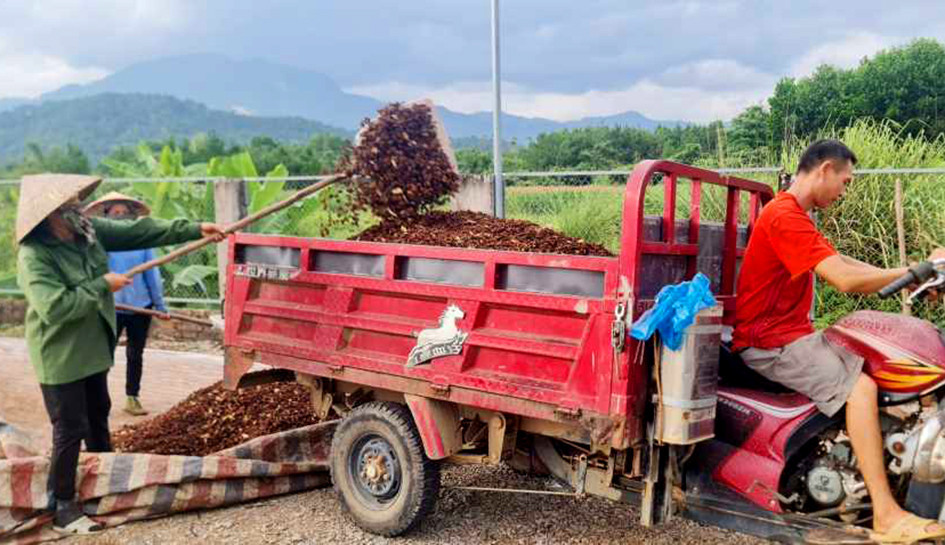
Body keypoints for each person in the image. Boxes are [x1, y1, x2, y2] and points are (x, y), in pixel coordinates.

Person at [732, 140, 945, 543]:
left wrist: (912, 275)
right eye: (845, 181)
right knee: (859, 388)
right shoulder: (783, 215)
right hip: (769, 344)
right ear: (825, 169)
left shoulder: (796, 215)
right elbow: (844, 279)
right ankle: (886, 515)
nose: (844, 191)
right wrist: (915, 270)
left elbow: (845, 263)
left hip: (791, 336)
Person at [15, 174, 225, 535]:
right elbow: (54, 307)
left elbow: (139, 230)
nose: (79, 210)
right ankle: (62, 506)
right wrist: (102, 285)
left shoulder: (88, 232)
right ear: (50, 216)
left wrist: (194, 228)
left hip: (94, 345)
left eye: (77, 203)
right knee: (69, 428)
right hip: (61, 353)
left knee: (99, 415)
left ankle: (105, 484)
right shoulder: (35, 255)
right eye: (69, 206)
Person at [84, 193, 167, 416]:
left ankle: (132, 397)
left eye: (124, 213)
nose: (120, 216)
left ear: (131, 216)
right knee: (104, 354)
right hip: (112, 307)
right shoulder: (101, 243)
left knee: (135, 354)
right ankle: (96, 400)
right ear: (107, 216)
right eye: (115, 212)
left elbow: (152, 274)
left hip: (141, 306)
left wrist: (159, 306)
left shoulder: (142, 242)